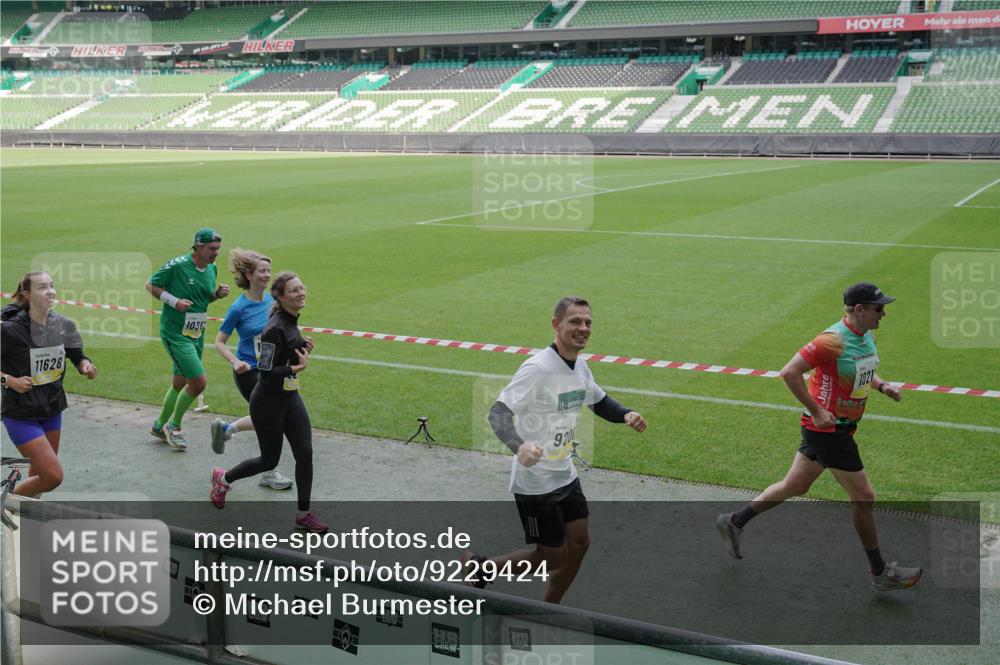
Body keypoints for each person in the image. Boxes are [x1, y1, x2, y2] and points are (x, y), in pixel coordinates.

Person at [716, 282, 921, 592]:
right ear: (860, 310)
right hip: (828, 431)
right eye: (879, 308)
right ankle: (880, 573)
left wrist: (882, 386)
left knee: (794, 485)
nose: (884, 313)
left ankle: (734, 521)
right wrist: (816, 410)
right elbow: (789, 372)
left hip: (835, 428)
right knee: (864, 497)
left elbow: (863, 370)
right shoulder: (831, 340)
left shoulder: (865, 336)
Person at [461, 296, 646, 604]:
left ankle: (550, 608)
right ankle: (482, 568)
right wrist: (519, 447)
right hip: (536, 482)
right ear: (556, 324)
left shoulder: (581, 366)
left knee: (580, 542)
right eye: (575, 321)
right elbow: (498, 412)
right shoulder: (538, 368)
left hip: (564, 472)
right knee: (552, 558)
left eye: (588, 323)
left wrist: (626, 414)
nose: (583, 328)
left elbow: (599, 401)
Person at [210, 272, 326, 533]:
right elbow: (264, 372)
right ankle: (223, 479)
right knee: (269, 461)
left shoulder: (290, 320)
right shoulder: (274, 328)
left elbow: (285, 355)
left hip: (290, 398)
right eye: (294, 290)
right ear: (281, 297)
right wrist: (296, 367)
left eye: (302, 288)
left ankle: (303, 515)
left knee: (305, 454)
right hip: (267, 402)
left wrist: (302, 349)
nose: (301, 293)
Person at [1, 272, 97, 496]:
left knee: (40, 477)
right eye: (42, 287)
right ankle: (7, 503)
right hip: (20, 413)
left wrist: (85, 365)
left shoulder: (64, 324)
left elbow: (77, 354)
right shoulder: (9, 330)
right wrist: (9, 380)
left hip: (52, 408)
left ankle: (25, 522)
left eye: (51, 286)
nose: (50, 291)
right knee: (53, 476)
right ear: (26, 294)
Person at [209, 248, 292, 491]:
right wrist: (236, 362)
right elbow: (219, 342)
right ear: (249, 275)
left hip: (271, 369)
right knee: (272, 419)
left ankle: (227, 430)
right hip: (249, 372)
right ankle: (269, 471)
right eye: (262, 271)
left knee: (271, 418)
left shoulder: (273, 301)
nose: (267, 275)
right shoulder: (238, 308)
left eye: (269, 271)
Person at [145, 228, 230, 450]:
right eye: (212, 249)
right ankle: (175, 426)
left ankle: (158, 425)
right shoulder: (178, 265)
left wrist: (217, 295)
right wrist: (174, 302)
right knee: (198, 382)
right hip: (175, 334)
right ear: (198, 247)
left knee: (180, 382)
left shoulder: (212, 268)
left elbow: (203, 299)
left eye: (218, 249)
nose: (215, 253)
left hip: (196, 333)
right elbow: (151, 285)